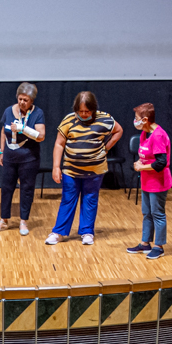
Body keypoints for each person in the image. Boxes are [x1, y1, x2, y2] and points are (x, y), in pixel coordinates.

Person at [46, 91, 122, 246]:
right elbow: (59, 144)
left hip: (95, 170)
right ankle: (58, 232)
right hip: (71, 170)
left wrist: (106, 148)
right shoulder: (69, 120)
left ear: (93, 109)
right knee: (68, 199)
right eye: (80, 111)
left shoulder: (105, 119)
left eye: (87, 111)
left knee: (90, 199)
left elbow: (119, 131)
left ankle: (87, 232)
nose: (84, 114)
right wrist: (56, 167)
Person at [0, 83, 45, 236]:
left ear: (32, 101)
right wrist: (2, 151)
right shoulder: (8, 111)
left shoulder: (38, 113)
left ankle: (23, 221)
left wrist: (23, 129)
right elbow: (3, 131)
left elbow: (41, 136)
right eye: (20, 99)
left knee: (26, 189)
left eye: (26, 100)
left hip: (29, 158)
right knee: (6, 188)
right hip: (10, 156)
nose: (22, 102)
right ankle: (4, 220)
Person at [126, 103, 172, 260]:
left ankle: (159, 246)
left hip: (158, 183)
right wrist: (139, 163)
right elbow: (145, 155)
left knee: (157, 213)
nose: (135, 121)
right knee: (147, 213)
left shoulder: (158, 135)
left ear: (145, 120)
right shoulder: (144, 134)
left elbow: (160, 163)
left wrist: (141, 167)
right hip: (147, 182)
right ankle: (145, 243)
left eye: (137, 119)